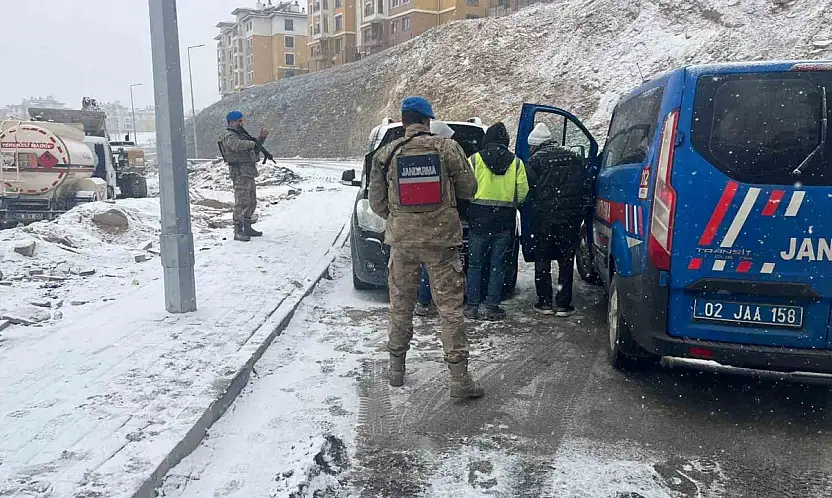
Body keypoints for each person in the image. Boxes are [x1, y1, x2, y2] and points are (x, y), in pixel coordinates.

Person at [368, 96, 483, 399]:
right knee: (449, 311)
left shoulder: (387, 154)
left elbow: (376, 203)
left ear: (404, 120)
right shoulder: (447, 148)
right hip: (442, 241)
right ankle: (459, 380)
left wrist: (402, 220)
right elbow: (470, 189)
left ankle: (396, 371)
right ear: (428, 120)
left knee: (401, 308)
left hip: (403, 243)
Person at [464, 122, 528, 321]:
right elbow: (523, 191)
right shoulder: (517, 163)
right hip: (503, 221)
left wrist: (471, 205)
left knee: (474, 264)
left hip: (478, 220)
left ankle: (472, 306)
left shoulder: (474, 160)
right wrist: (510, 203)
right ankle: (492, 306)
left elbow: (464, 186)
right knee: (497, 265)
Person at [525, 123, 590, 316]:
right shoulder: (574, 157)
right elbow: (584, 185)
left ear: (536, 145)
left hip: (544, 218)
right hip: (570, 218)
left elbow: (528, 189)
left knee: (542, 258)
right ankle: (563, 304)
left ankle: (544, 302)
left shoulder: (535, 160)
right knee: (566, 259)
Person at [414, 120, 457, 318]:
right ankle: (436, 303)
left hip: (418, 223)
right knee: (440, 266)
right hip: (439, 222)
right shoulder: (444, 158)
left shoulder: (414, 155)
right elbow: (466, 187)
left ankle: (423, 302)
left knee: (426, 264)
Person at [218, 111, 269, 242]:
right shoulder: (229, 135)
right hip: (239, 172)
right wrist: (252, 143)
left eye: (241, 121)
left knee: (251, 201)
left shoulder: (242, 134)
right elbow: (237, 146)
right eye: (239, 121)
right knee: (241, 202)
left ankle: (247, 227)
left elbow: (254, 148)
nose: (241, 123)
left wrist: (260, 139)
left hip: (248, 171)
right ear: (231, 122)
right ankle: (238, 230)